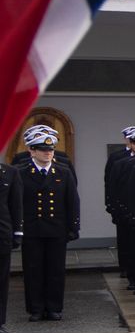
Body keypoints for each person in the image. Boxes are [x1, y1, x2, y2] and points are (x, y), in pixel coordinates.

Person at [18, 128, 79, 322]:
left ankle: (54, 307)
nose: (47, 153)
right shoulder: (21, 172)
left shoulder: (63, 171)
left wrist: (73, 226)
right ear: (32, 151)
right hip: (32, 228)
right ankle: (35, 308)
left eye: (50, 149)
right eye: (42, 149)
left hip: (56, 227)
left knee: (55, 270)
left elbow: (72, 201)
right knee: (33, 270)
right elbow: (16, 203)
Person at [0, 154, 17, 333]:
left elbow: (15, 205)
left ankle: (0, 323)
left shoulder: (9, 172)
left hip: (1, 234)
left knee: (1, 281)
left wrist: (16, 232)